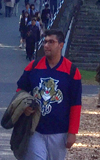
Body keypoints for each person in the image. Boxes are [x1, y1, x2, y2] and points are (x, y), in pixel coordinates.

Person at [16, 29, 82, 160]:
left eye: (51, 42)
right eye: (45, 42)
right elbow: (20, 90)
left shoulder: (72, 71)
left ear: (61, 45)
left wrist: (72, 132)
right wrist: (24, 106)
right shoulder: (33, 66)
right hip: (35, 129)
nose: (46, 45)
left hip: (59, 131)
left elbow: (76, 104)